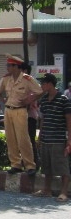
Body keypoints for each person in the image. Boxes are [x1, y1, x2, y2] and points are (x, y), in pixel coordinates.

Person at [0, 54, 42, 176]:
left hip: (20, 110)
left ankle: (30, 165)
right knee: (10, 139)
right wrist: (3, 99)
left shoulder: (27, 79)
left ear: (16, 66)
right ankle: (15, 164)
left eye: (9, 65)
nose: (7, 67)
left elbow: (39, 91)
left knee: (23, 139)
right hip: (8, 110)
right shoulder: (6, 79)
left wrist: (29, 99)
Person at [31, 73, 71, 202]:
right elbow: (42, 120)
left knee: (62, 167)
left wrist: (69, 140)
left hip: (59, 139)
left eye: (43, 83)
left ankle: (64, 191)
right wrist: (40, 136)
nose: (41, 86)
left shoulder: (63, 99)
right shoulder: (43, 100)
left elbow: (69, 120)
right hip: (46, 138)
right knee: (46, 166)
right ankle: (46, 190)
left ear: (49, 84)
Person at [19, 63, 40, 169]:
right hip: (22, 117)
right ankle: (25, 162)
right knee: (22, 141)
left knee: (30, 140)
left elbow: (28, 101)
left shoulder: (30, 83)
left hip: (30, 117)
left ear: (25, 71)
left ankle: (34, 163)